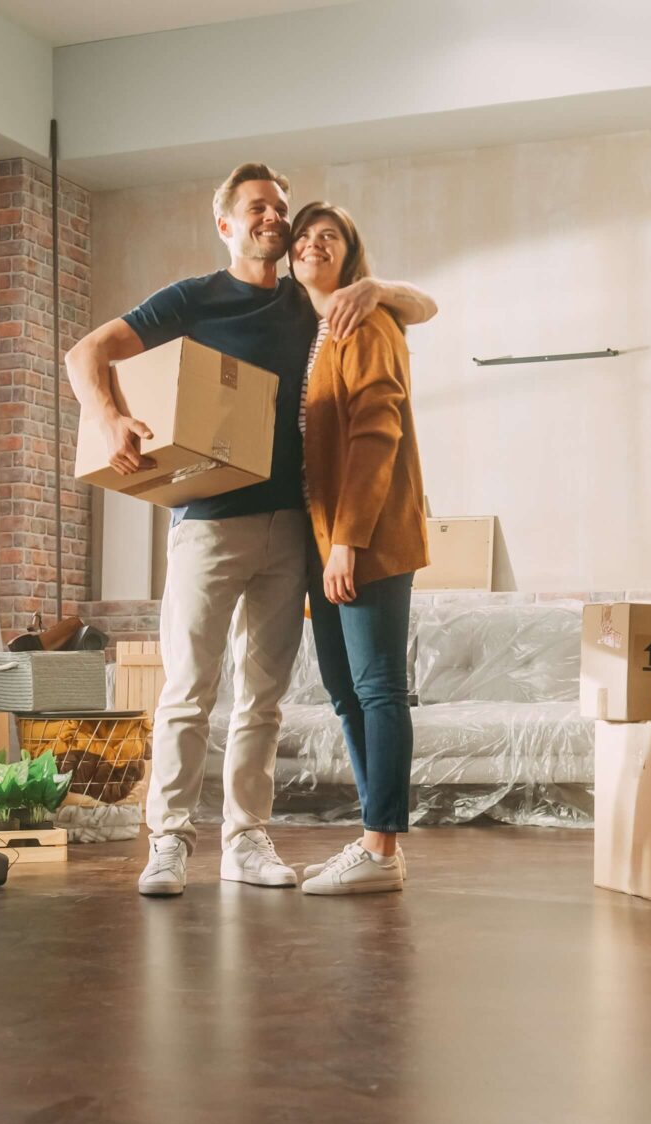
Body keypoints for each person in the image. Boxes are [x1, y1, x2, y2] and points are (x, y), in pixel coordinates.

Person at [65, 164, 436, 898]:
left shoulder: (315, 306)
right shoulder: (194, 298)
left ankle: (246, 838)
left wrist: (381, 288)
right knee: (188, 689)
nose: (275, 219)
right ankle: (168, 840)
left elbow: (420, 309)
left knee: (264, 697)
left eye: (282, 209)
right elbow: (86, 354)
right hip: (206, 525)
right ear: (227, 224)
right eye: (258, 209)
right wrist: (107, 416)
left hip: (294, 529)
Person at [286, 201, 428, 897]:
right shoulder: (313, 332)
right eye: (303, 237)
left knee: (377, 690)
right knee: (343, 692)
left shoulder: (366, 318)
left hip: (364, 537)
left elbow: (378, 433)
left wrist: (347, 542)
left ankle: (382, 845)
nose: (314, 244)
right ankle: (377, 842)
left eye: (329, 236)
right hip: (324, 540)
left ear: (350, 254)